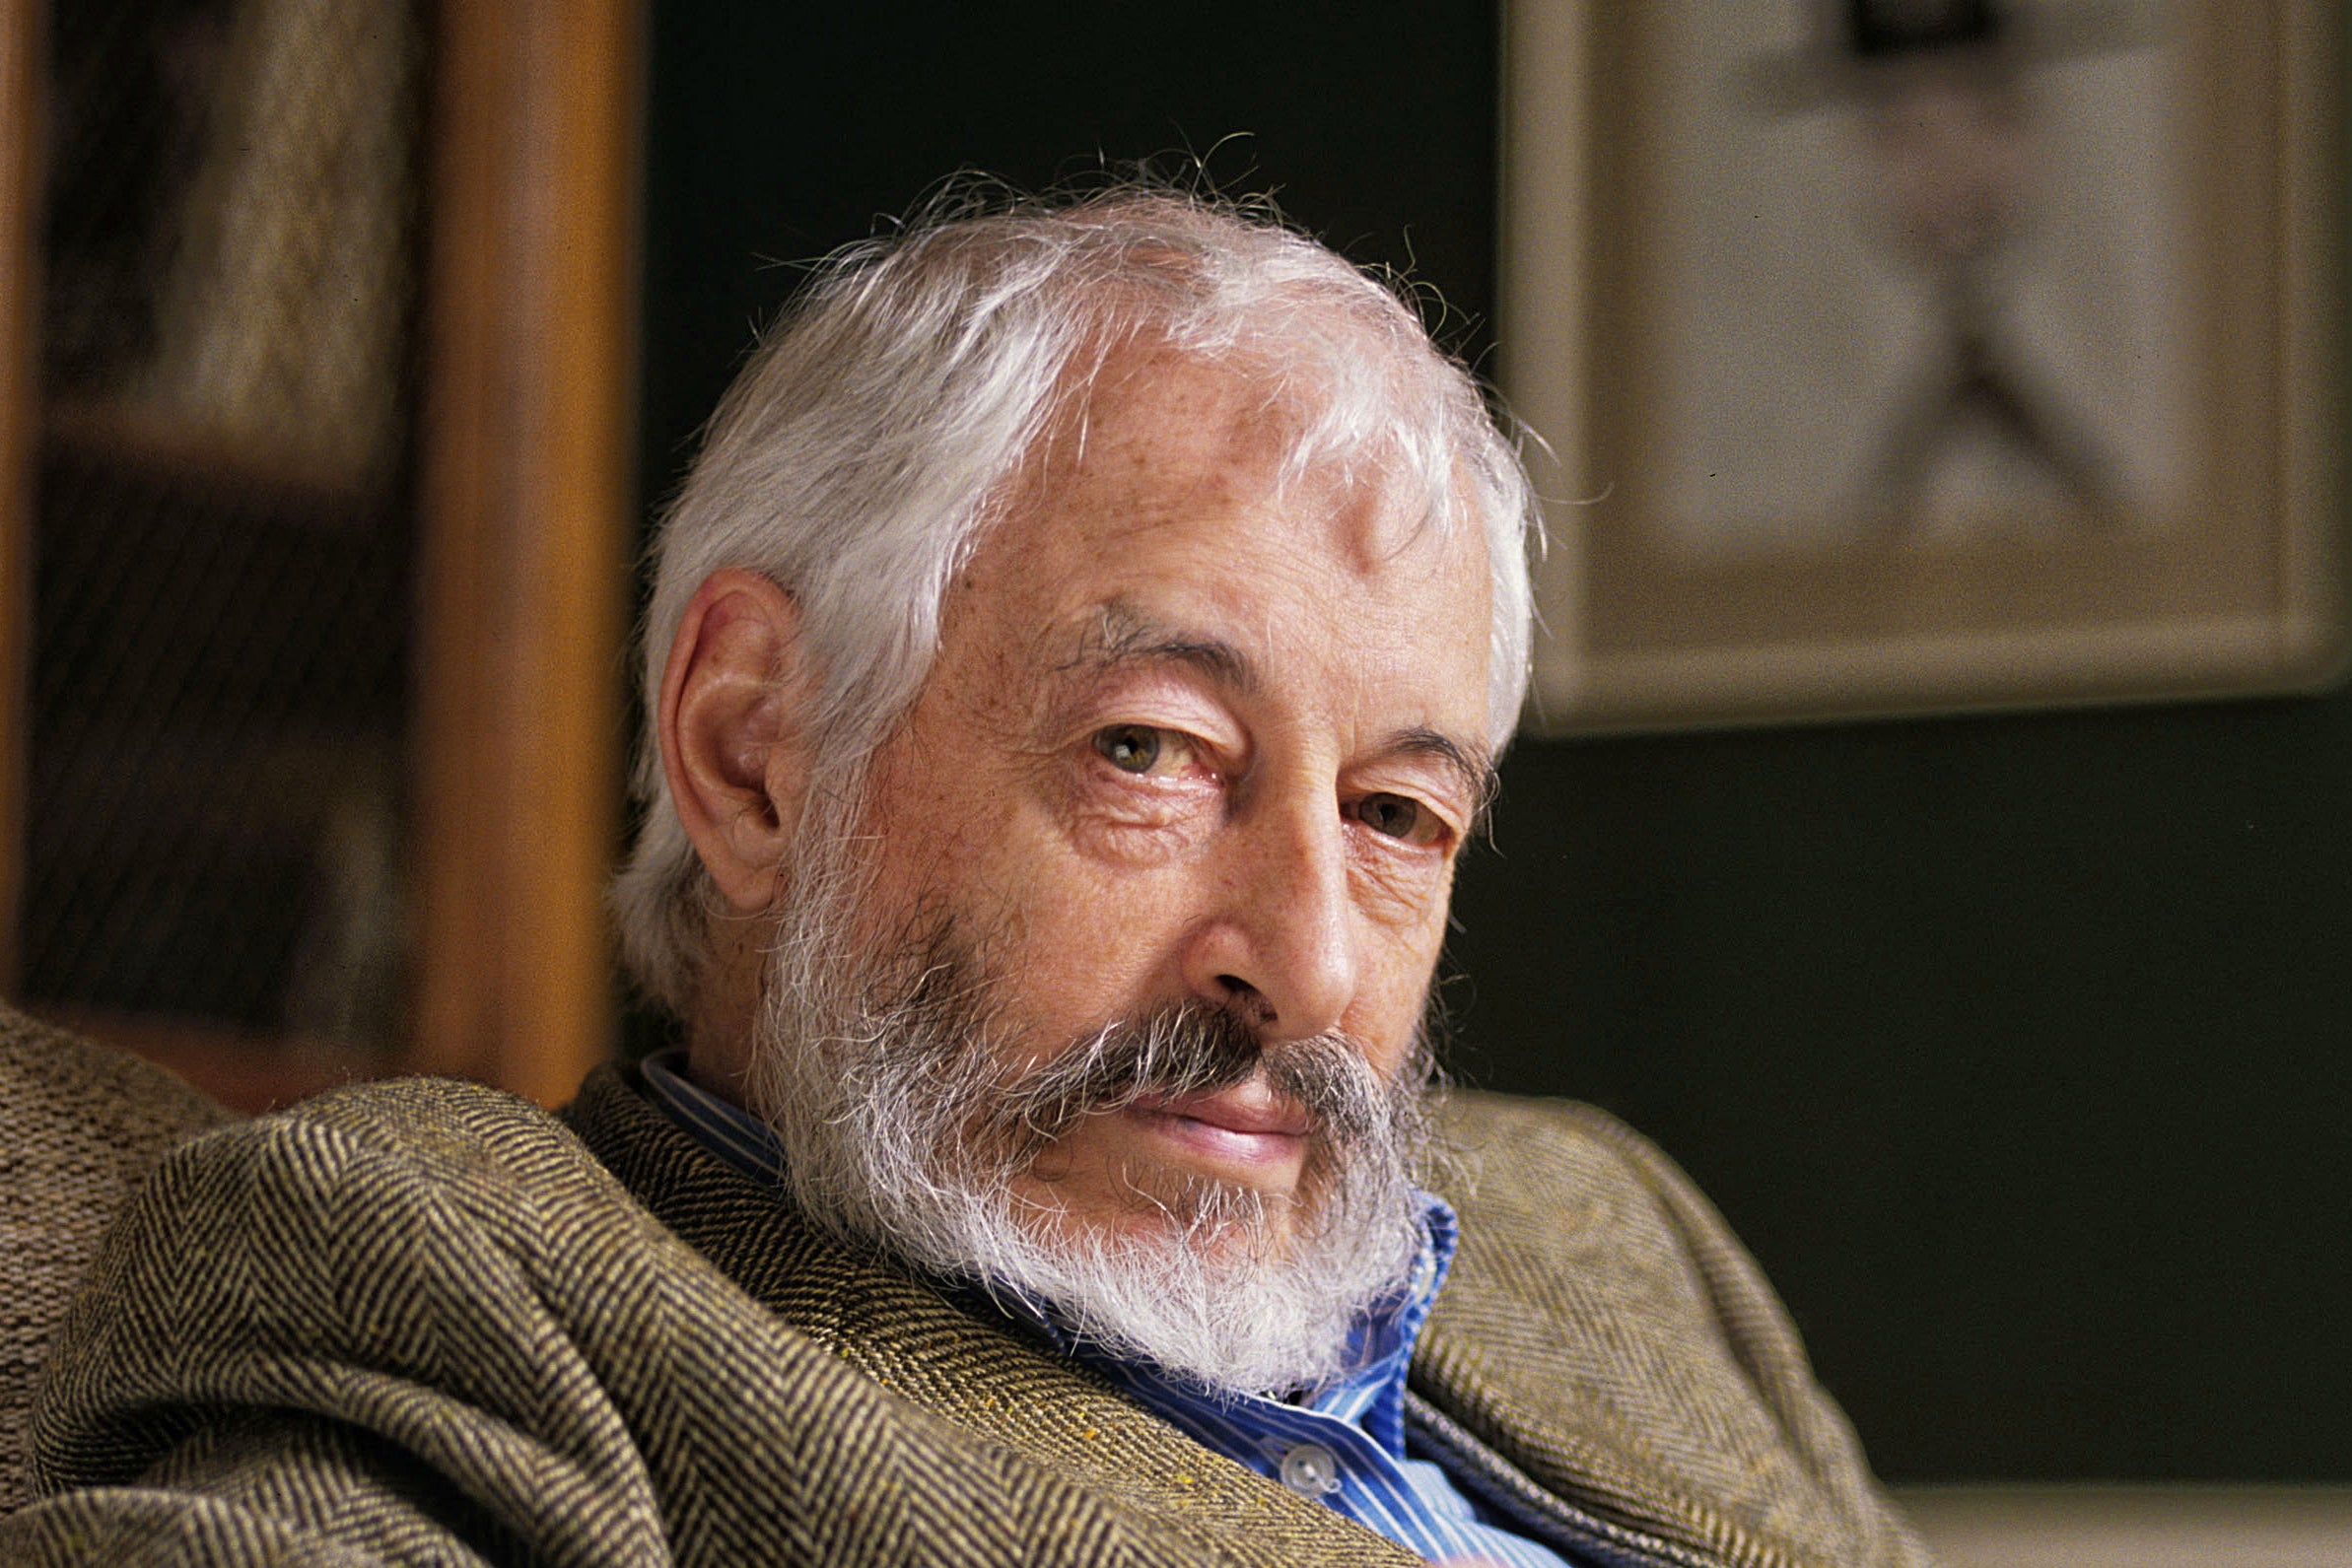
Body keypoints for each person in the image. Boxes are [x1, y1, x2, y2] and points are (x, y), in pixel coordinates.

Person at [4, 185, 1930, 1566]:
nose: (1306, 962)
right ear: (752, 745)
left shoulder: (1600, 1229)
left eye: (1394, 815)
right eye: (1154, 754)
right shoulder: (458, 1286)